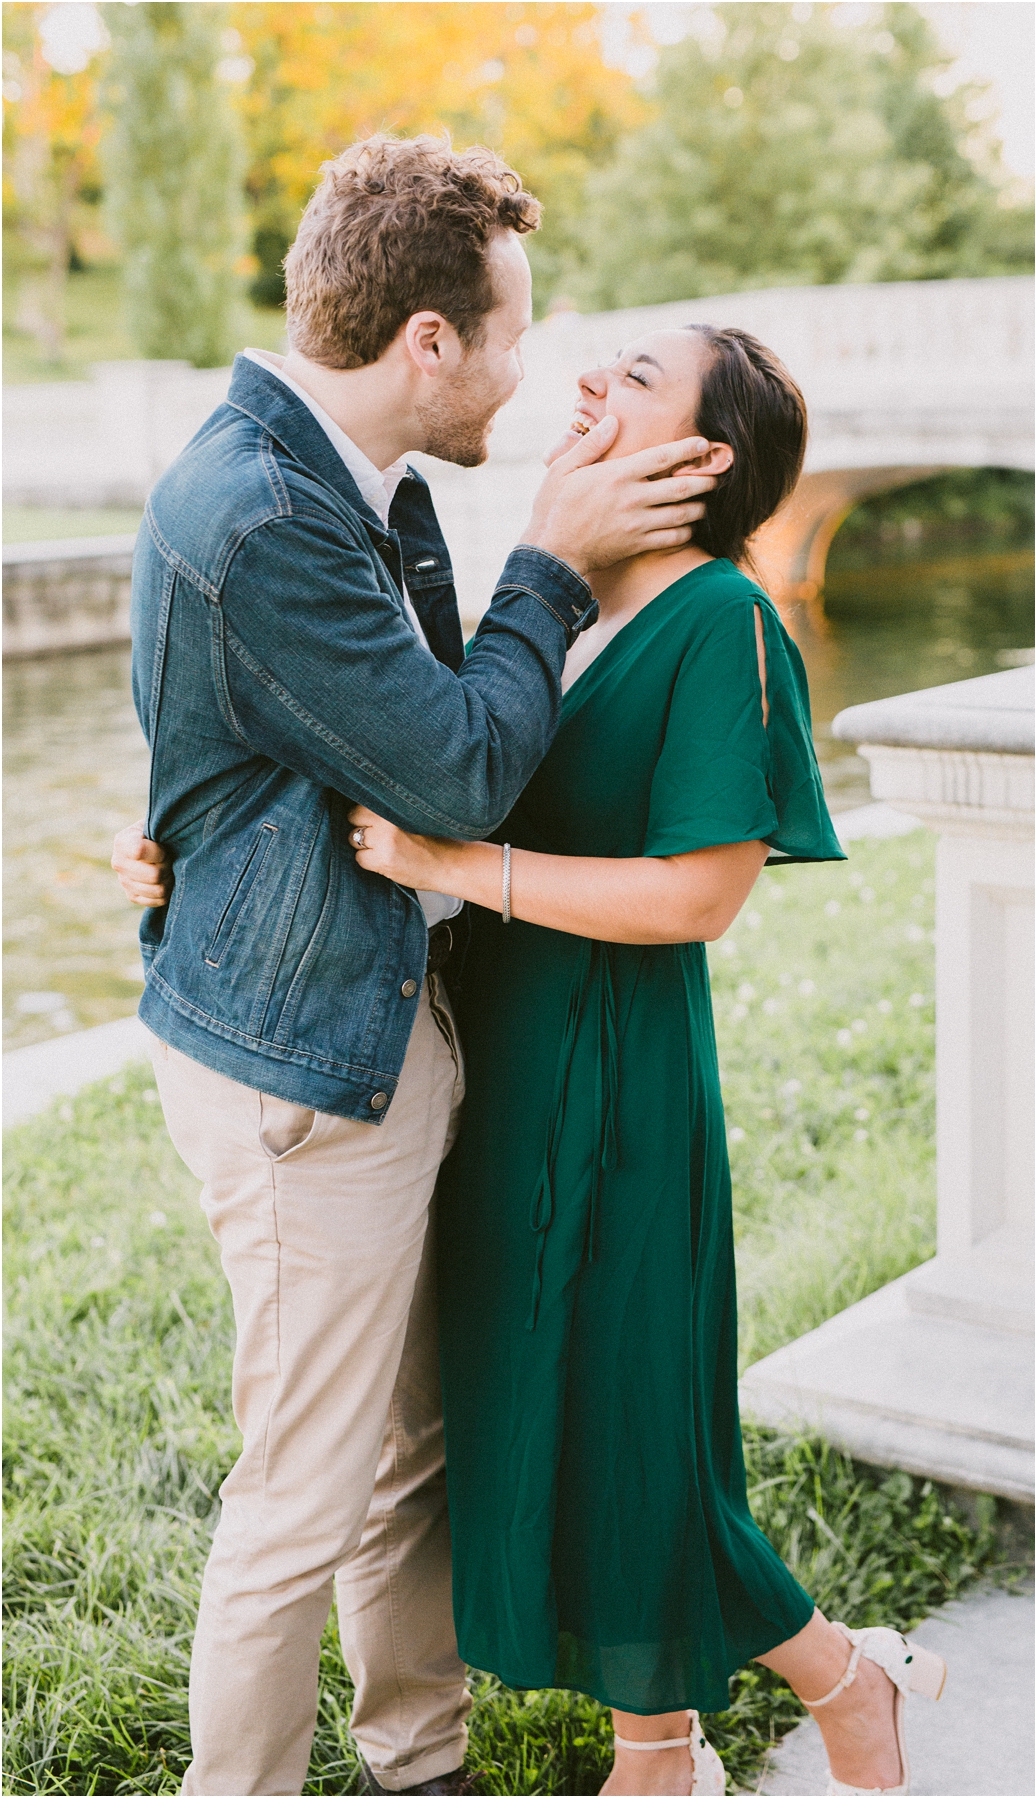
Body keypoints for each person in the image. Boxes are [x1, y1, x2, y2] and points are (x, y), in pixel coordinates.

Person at [108, 132, 721, 1798]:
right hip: (303, 1061)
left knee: (403, 1460)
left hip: (366, 1025)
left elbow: (243, 716)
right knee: (303, 1492)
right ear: (428, 341)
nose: (532, 369)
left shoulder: (351, 482)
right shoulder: (264, 505)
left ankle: (418, 1762)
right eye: (514, 332)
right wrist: (552, 559)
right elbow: (458, 767)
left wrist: (173, 826)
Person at [330, 325, 950, 1797]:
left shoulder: (725, 622)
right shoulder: (558, 611)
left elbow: (698, 894)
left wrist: (456, 865)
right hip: (508, 1075)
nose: (590, 381)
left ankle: (849, 1679)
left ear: (704, 457)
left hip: (616, 1085)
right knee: (557, 1408)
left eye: (636, 375)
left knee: (637, 1434)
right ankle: (658, 1751)